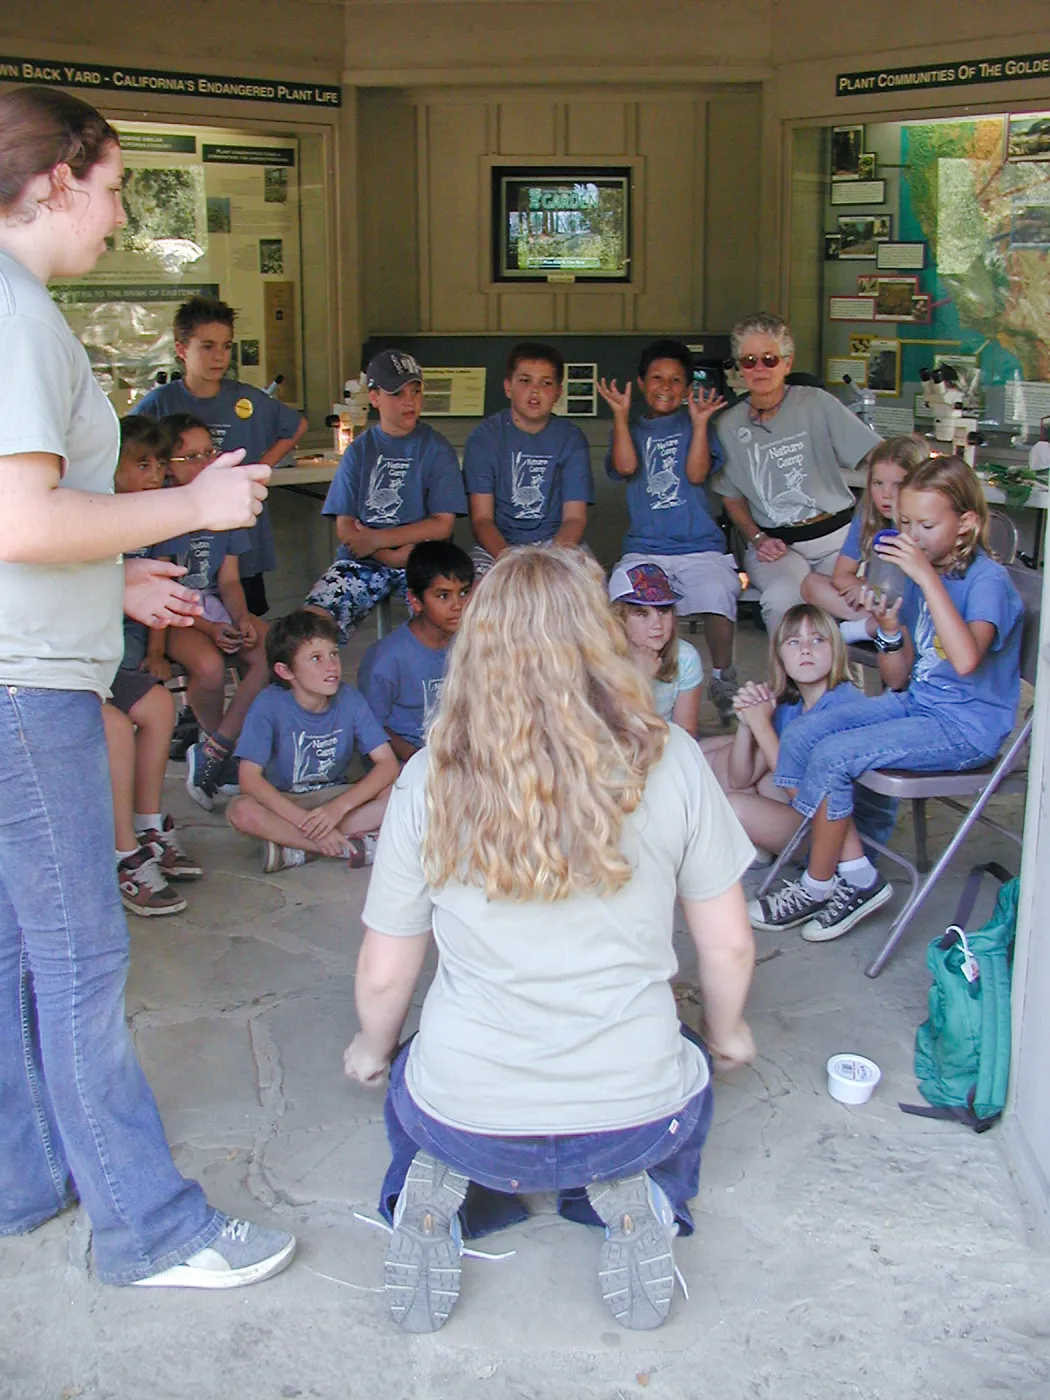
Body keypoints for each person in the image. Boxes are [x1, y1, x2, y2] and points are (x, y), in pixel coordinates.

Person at [0, 85, 294, 1287]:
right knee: (77, 962)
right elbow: (24, 513)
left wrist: (110, 574)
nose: (120, 216)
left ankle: (27, 1176)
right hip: (27, 694)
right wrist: (193, 505)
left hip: (17, 662)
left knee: (19, 955)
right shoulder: (17, 316)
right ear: (55, 178)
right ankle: (148, 1226)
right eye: (114, 185)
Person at [343, 548, 756, 1334]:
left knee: (412, 1084)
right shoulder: (669, 760)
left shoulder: (431, 776)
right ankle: (645, 1197)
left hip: (468, 1112)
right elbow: (729, 947)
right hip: (634, 1108)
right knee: (687, 1076)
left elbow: (385, 970)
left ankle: (429, 1189)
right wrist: (728, 1036)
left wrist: (373, 1050)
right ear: (599, 637)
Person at [750, 455, 1023, 943]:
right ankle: (856, 875)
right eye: (903, 524)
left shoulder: (987, 581)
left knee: (834, 755)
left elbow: (964, 660)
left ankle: (818, 882)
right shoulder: (929, 572)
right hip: (919, 706)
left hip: (964, 729)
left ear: (966, 524)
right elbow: (898, 679)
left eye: (925, 525)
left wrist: (925, 580)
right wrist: (892, 634)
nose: (911, 537)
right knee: (805, 731)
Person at [134, 294, 308, 616]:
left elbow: (295, 425)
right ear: (181, 349)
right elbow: (128, 451)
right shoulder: (160, 403)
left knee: (246, 619)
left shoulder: (247, 399)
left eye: (226, 346)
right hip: (177, 540)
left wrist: (260, 467)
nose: (219, 356)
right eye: (208, 346)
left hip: (239, 535)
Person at [598, 339, 741, 724]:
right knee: (620, 594)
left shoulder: (698, 422)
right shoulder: (631, 428)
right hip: (645, 547)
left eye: (676, 380)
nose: (666, 386)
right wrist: (619, 416)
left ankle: (721, 675)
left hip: (699, 547)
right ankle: (630, 677)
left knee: (719, 591)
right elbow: (626, 468)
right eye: (657, 378)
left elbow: (696, 474)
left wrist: (698, 424)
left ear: (686, 387)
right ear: (642, 383)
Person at [711, 312, 881, 634]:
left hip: (837, 540)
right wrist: (756, 538)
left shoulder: (817, 402)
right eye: (749, 361)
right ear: (738, 368)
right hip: (777, 545)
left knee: (847, 601)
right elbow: (730, 496)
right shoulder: (728, 425)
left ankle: (842, 681)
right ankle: (786, 682)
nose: (759, 368)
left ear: (787, 364)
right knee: (780, 598)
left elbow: (874, 456)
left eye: (769, 359)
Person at [700, 604, 890, 861]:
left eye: (817, 640)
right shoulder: (792, 703)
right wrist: (747, 721)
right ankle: (760, 846)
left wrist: (762, 726)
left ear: (836, 651)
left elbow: (807, 793)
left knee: (733, 807)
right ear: (779, 657)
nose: (805, 649)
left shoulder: (844, 706)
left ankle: (754, 845)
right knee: (734, 766)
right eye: (793, 642)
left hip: (849, 839)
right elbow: (740, 779)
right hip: (810, 815)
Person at [304, 350, 467, 642]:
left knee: (448, 620)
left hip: (421, 557)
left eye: (415, 392)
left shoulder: (436, 448)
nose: (409, 401)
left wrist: (381, 542)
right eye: (397, 393)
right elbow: (345, 526)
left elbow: (442, 524)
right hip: (362, 560)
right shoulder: (358, 451)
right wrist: (382, 554)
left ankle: (435, 681)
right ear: (374, 397)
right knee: (312, 623)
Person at [157, 414, 271, 810]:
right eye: (189, 457)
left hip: (213, 603)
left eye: (209, 453)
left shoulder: (223, 509)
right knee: (208, 665)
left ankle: (219, 747)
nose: (204, 464)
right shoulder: (162, 509)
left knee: (268, 649)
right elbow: (165, 588)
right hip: (170, 610)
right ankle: (213, 742)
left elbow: (229, 582)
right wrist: (209, 628)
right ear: (167, 467)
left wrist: (240, 619)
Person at [227, 610, 398, 873]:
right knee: (241, 811)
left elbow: (387, 763)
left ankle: (292, 848)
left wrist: (338, 808)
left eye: (334, 654)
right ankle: (343, 847)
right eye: (316, 658)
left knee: (401, 793)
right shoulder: (268, 705)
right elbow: (249, 778)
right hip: (287, 802)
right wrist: (306, 823)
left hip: (335, 796)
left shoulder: (349, 699)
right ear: (285, 671)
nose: (331, 666)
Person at [462, 342, 593, 574]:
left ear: (558, 392)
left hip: (558, 545)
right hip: (498, 547)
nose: (535, 391)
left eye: (546, 383)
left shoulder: (571, 438)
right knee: (474, 591)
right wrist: (510, 561)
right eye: (525, 381)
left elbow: (574, 518)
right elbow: (482, 519)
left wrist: (550, 561)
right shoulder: (484, 438)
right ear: (508, 387)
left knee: (592, 583)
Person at [357, 540, 474, 761]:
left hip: (457, 759)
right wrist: (416, 759)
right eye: (443, 596)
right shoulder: (386, 659)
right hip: (405, 765)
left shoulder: (470, 646)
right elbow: (369, 728)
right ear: (415, 600)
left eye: (464, 592)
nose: (457, 605)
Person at [800, 435, 927, 635]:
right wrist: (863, 589)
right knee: (812, 585)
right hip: (879, 602)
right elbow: (841, 575)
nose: (886, 494)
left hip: (920, 607)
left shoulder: (926, 522)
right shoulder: (868, 513)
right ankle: (878, 626)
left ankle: (867, 629)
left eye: (897, 485)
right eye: (878, 483)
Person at [609, 561, 702, 739]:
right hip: (617, 753)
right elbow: (611, 735)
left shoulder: (685, 656)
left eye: (664, 611)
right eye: (642, 614)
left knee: (737, 747)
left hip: (669, 746)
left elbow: (686, 734)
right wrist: (642, 680)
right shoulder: (600, 657)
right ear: (618, 618)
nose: (657, 624)